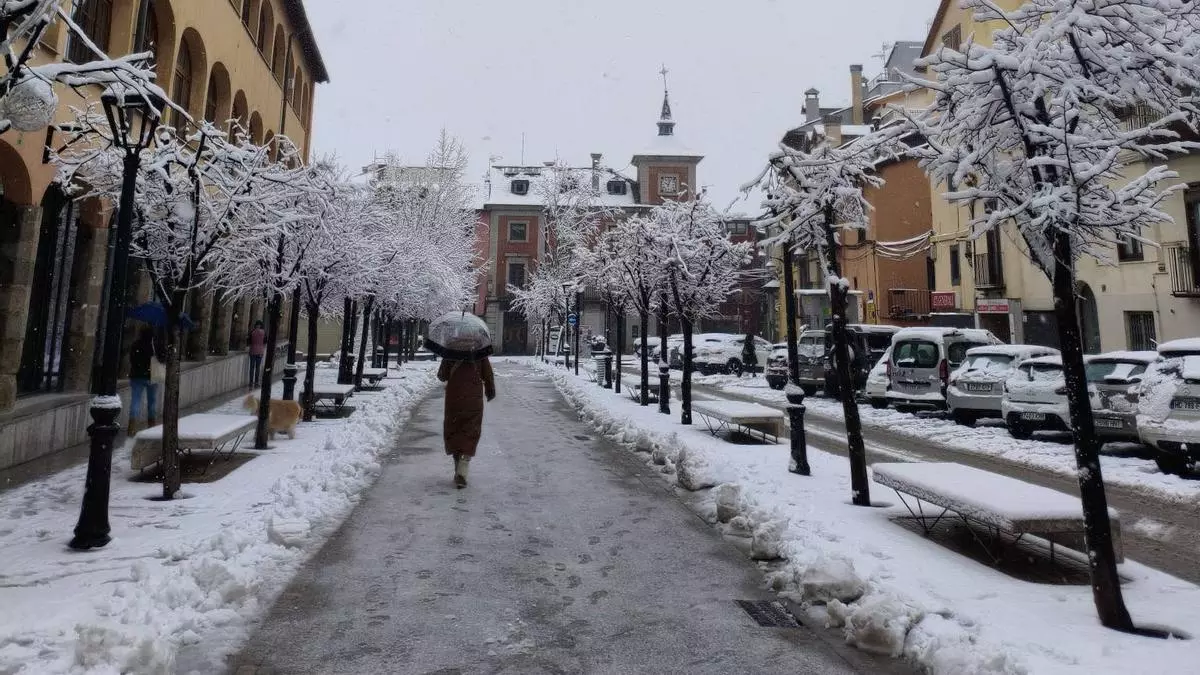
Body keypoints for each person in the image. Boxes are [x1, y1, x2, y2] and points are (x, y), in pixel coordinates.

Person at [437, 356, 496, 488]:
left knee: (454, 429)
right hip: (473, 397)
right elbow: (488, 374)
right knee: (471, 430)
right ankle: (462, 469)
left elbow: (442, 375)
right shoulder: (480, 350)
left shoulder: (450, 350)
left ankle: (458, 464)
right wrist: (490, 390)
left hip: (454, 397)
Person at [128, 325, 164, 436]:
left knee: (135, 401)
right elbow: (162, 358)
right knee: (152, 402)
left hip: (137, 377)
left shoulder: (135, 345)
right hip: (152, 376)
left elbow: (132, 360)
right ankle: (151, 424)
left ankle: (132, 427)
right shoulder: (154, 346)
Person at [247, 320, 266, 388]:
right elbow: (265, 342)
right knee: (257, 368)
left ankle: (250, 382)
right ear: (261, 325)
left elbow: (249, 341)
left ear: (255, 325)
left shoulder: (252, 332)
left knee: (252, 368)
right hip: (260, 352)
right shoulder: (263, 332)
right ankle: (256, 382)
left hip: (252, 351)